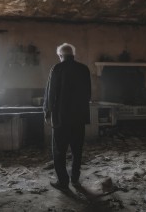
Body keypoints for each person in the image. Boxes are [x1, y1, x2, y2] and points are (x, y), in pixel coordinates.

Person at [43, 43, 91, 191]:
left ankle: (63, 182)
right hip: (79, 118)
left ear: (60, 55)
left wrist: (47, 112)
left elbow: (50, 94)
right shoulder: (84, 69)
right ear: (73, 55)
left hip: (61, 119)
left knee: (59, 151)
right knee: (77, 151)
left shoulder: (57, 68)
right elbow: (88, 94)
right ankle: (75, 179)